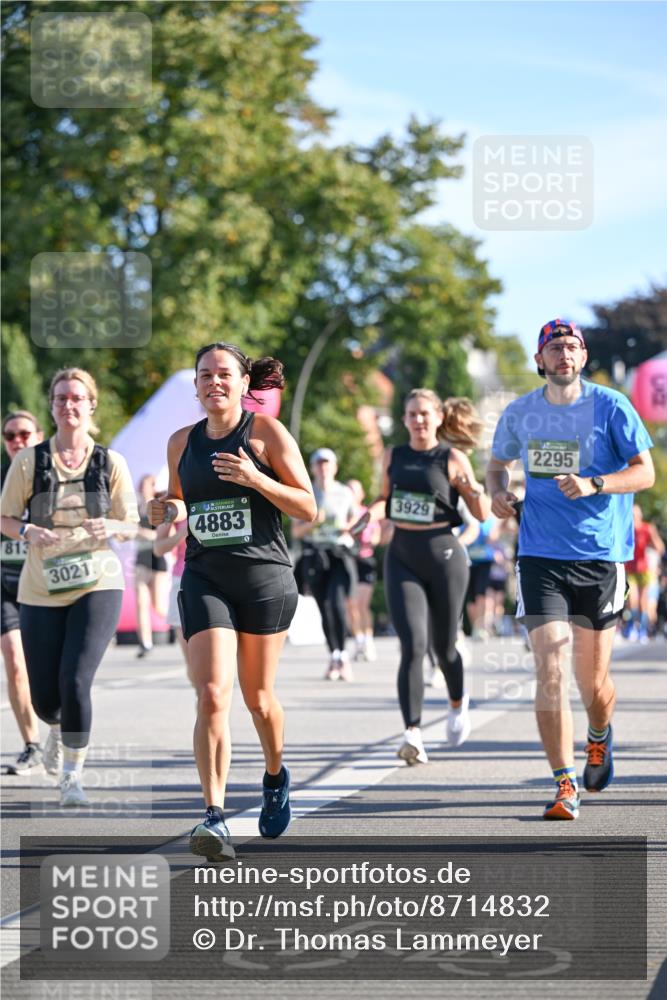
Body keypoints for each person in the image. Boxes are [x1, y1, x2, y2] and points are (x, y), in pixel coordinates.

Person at [148, 342, 315, 861]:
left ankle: (274, 774)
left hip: (264, 577)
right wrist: (166, 507)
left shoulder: (265, 433)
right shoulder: (181, 441)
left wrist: (256, 478)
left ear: (245, 384)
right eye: (205, 375)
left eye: (224, 374)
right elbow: (180, 498)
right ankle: (214, 815)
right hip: (205, 577)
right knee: (212, 694)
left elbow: (309, 507)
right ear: (195, 386)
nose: (214, 382)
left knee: (258, 699)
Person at [487, 318, 654, 820]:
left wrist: (595, 483)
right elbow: (498, 464)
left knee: (593, 683)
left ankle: (598, 735)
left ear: (583, 358)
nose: (565, 353)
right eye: (555, 347)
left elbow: (644, 472)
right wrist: (498, 491)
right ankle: (564, 783)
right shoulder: (520, 413)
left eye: (573, 346)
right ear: (540, 360)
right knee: (551, 669)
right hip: (540, 557)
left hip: (600, 556)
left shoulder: (612, 406)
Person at [0, 369, 139, 806]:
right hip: (40, 587)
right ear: (52, 406)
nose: (69, 405)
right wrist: (26, 532)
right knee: (44, 698)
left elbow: (132, 524)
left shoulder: (110, 462)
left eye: (77, 398)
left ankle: (72, 776)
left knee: (75, 679)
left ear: (91, 404)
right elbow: (3, 519)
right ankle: (55, 729)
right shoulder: (29, 461)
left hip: (97, 581)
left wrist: (111, 524)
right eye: (61, 399)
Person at [354, 390, 491, 764]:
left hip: (445, 555)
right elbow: (386, 497)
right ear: (404, 419)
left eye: (424, 414)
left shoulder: (451, 457)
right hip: (402, 556)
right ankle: (412, 734)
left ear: (438, 417)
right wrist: (372, 514)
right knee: (412, 646)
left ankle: (457, 703)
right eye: (412, 414)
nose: (418, 420)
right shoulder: (393, 455)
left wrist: (473, 488)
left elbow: (480, 512)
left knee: (443, 647)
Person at [1, 411, 44, 774]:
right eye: (10, 435)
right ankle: (31, 744)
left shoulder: (53, 477)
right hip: (5, 585)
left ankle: (63, 736)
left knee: (53, 670)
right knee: (15, 663)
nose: (17, 440)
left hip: (48, 584)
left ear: (38, 435)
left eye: (24, 433)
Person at [291, 450, 358, 681]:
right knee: (324, 607)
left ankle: (343, 657)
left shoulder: (344, 493)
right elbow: (296, 531)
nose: (323, 468)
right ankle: (334, 655)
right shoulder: (305, 491)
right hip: (315, 555)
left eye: (327, 463)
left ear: (335, 467)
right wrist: (314, 523)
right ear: (312, 468)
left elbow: (356, 523)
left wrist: (348, 527)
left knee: (337, 603)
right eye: (318, 464)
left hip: (338, 553)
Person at [134, 474, 170, 657]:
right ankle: (145, 643)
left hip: (157, 556)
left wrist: (139, 531)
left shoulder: (160, 506)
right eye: (141, 484)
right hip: (141, 557)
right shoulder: (135, 508)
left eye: (146, 484)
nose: (142, 487)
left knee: (159, 605)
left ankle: (179, 625)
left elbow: (159, 536)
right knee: (141, 602)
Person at [346, 478, 381, 662]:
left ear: (361, 494)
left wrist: (363, 537)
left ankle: (368, 640)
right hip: (348, 560)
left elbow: (376, 537)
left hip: (365, 560)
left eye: (355, 490)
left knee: (361, 604)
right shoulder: (344, 513)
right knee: (350, 605)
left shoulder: (367, 514)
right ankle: (359, 641)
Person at [154, 517, 191, 679]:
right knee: (192, 661)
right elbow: (158, 548)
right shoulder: (173, 502)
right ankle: (202, 699)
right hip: (182, 580)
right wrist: (182, 534)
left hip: (221, 579)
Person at [623, 505, 664, 642]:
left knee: (643, 602)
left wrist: (653, 535)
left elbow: (660, 548)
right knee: (632, 600)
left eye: (636, 515)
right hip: (630, 570)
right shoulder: (626, 529)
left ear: (640, 515)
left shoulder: (647, 529)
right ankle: (631, 626)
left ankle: (642, 630)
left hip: (644, 570)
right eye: (632, 515)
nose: (634, 517)